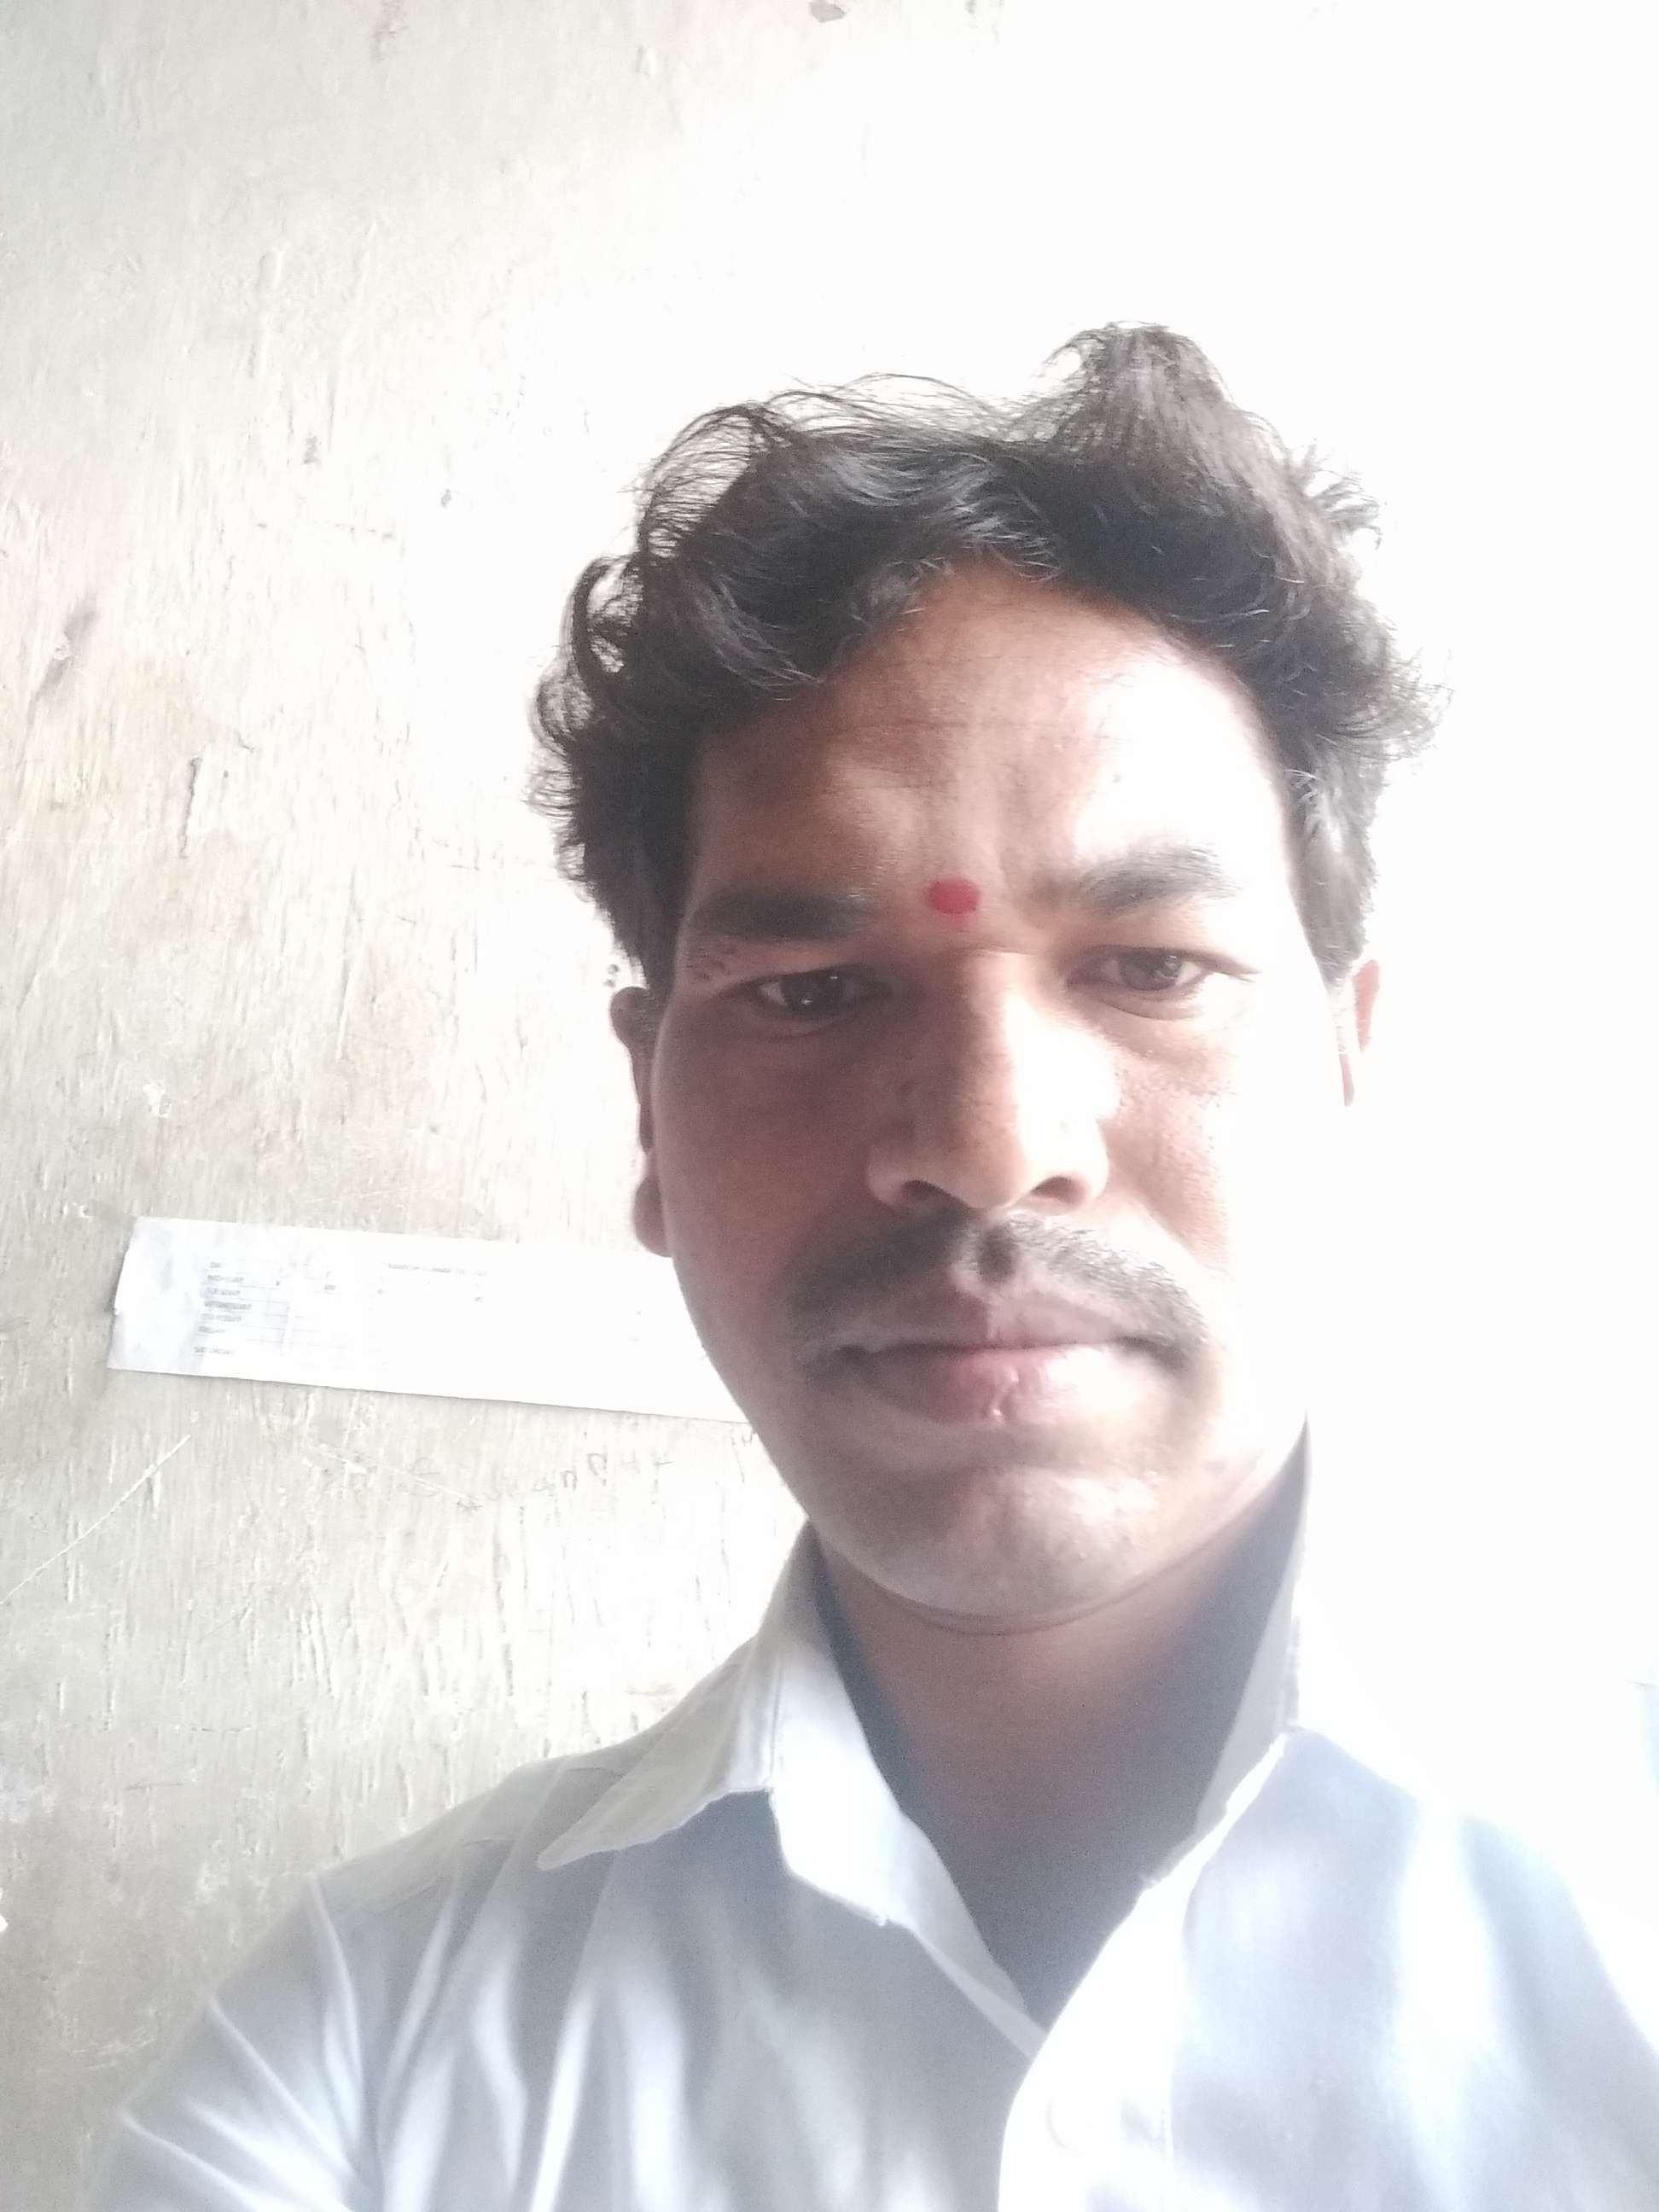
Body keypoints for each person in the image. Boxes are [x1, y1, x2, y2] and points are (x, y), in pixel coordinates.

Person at [95, 326, 1659, 2209]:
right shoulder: (369, 2042)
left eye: (1151, 968)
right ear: (650, 1117)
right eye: (811, 992)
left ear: (1347, 1066)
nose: (989, 1143)